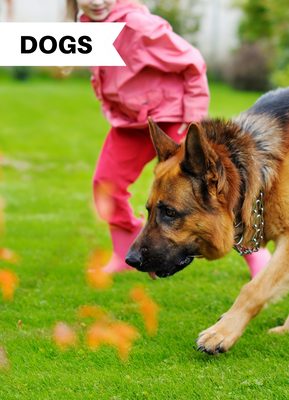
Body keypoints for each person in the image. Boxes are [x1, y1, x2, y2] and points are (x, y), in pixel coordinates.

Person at [68, 0, 270, 278]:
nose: (96, 1)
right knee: (106, 183)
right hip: (131, 121)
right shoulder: (87, 28)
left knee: (208, 192)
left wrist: (192, 120)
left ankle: (255, 252)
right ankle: (128, 250)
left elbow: (193, 63)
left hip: (172, 116)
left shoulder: (140, 26)